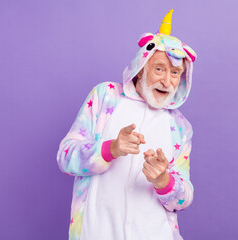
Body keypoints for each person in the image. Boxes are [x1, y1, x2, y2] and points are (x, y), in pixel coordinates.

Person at [57, 9, 197, 240]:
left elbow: (184, 199)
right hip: (97, 232)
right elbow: (65, 157)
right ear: (140, 68)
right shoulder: (105, 97)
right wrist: (110, 149)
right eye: (159, 69)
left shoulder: (180, 127)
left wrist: (163, 180)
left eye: (175, 73)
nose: (167, 80)